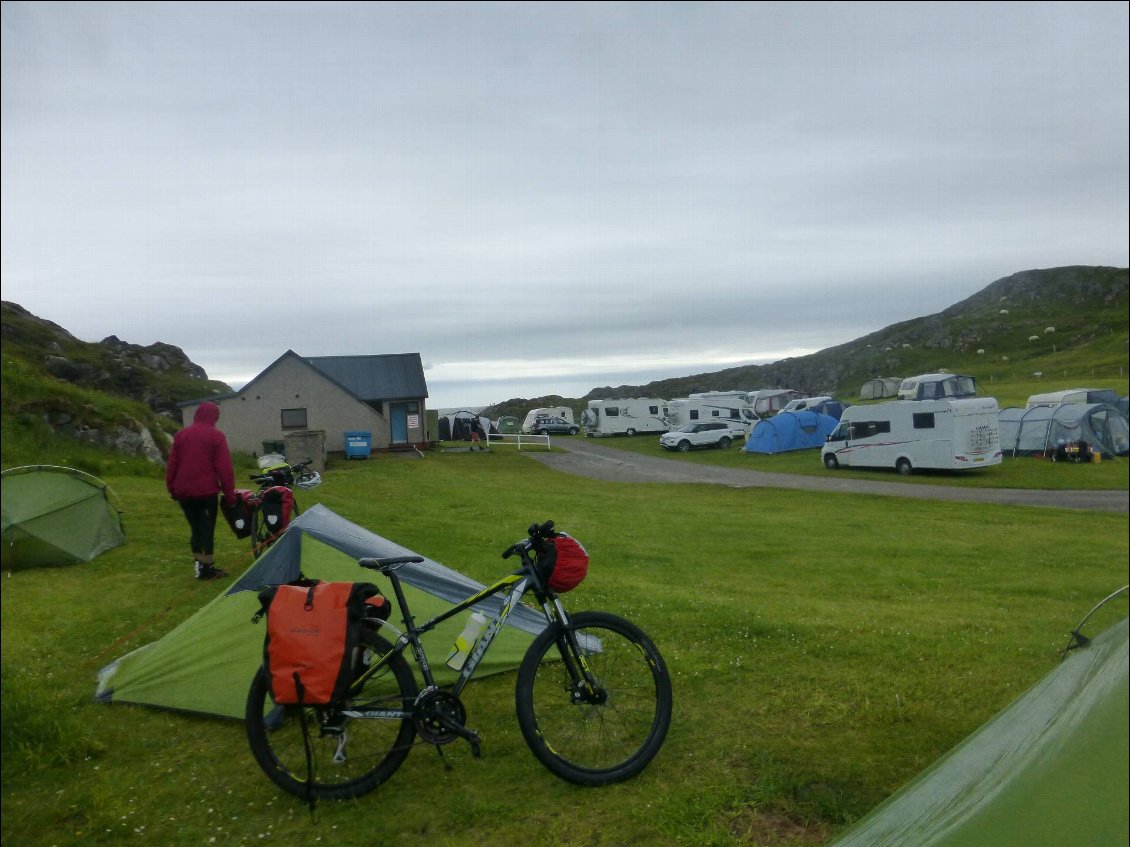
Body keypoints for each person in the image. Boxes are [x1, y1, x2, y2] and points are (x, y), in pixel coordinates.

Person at [166, 402, 237, 580]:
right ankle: (207, 569)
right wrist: (230, 495)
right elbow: (224, 469)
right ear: (214, 417)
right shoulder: (216, 436)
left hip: (183, 492)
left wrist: (172, 488)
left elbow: (173, 464)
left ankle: (199, 565)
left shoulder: (181, 435)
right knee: (206, 529)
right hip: (205, 492)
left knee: (195, 527)